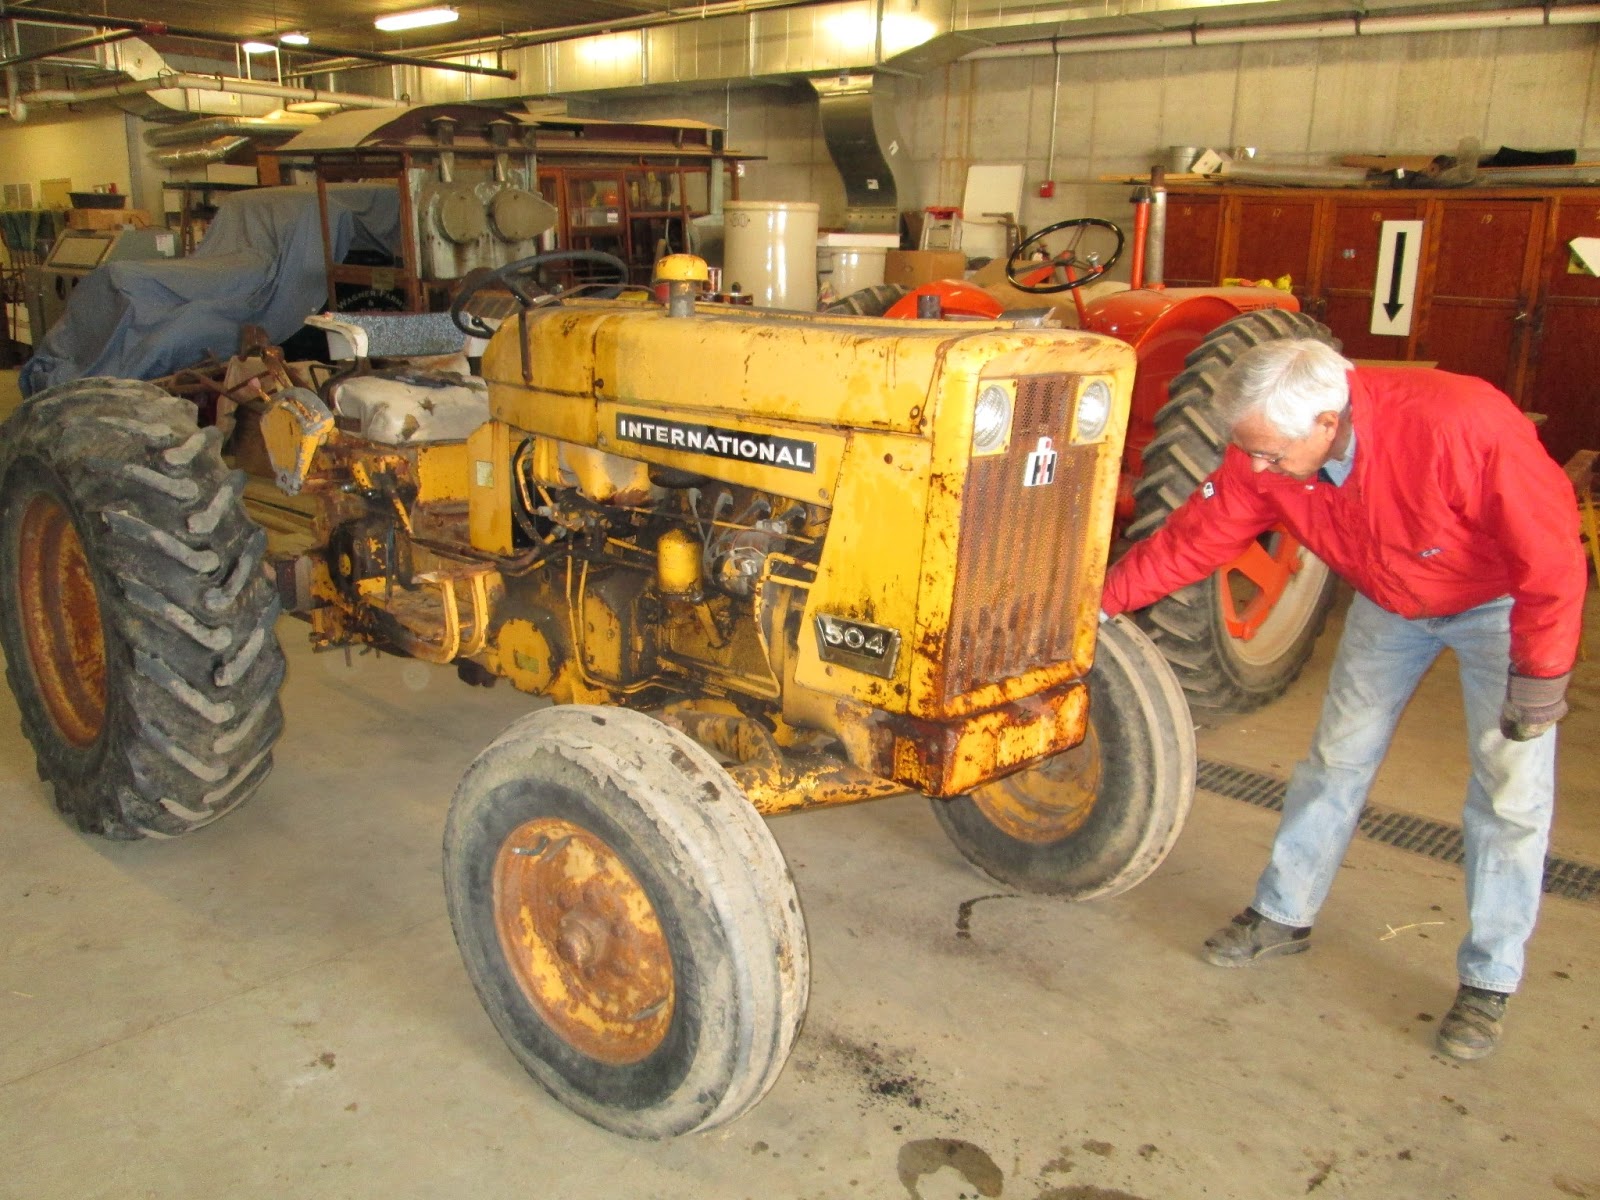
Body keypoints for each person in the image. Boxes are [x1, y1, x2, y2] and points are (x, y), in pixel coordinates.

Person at [1102, 338, 1586, 1061]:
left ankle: (1490, 981)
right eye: (1250, 453)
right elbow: (1193, 540)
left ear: (1328, 421)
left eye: (1270, 455)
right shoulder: (1266, 448)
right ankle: (1281, 915)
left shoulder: (1463, 425)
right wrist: (1099, 607)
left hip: (1497, 605)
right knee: (1335, 760)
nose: (1257, 469)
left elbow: (1551, 554)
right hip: (1392, 600)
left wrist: (1540, 678)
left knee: (1510, 794)